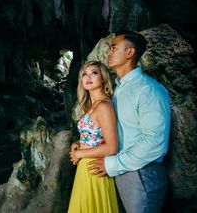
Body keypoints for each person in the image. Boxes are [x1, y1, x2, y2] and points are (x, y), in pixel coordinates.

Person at [88, 31, 171, 212]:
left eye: (114, 48)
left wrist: (113, 164)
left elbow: (155, 142)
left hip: (142, 173)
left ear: (129, 52)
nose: (108, 53)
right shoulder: (119, 88)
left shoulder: (148, 89)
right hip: (121, 170)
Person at [68, 60, 120, 213]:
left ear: (103, 78)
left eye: (94, 73)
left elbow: (112, 147)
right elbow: (95, 136)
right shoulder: (92, 106)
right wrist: (76, 143)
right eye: (84, 74)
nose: (88, 77)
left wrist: (79, 153)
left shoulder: (104, 106)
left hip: (94, 169)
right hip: (86, 168)